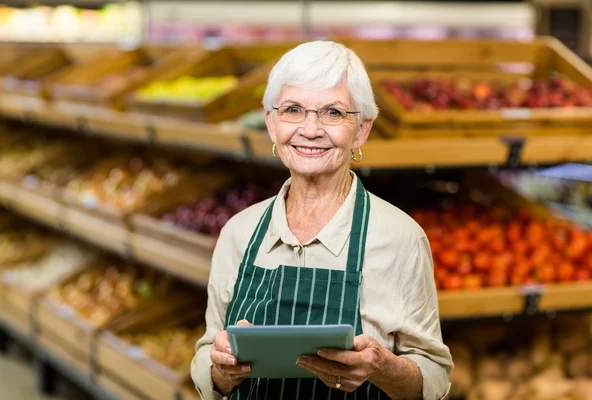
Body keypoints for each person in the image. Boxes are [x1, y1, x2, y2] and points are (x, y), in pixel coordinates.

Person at [191, 40, 453, 400]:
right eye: (293, 109)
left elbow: (434, 377)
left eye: (333, 113)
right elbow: (206, 354)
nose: (310, 129)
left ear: (361, 130)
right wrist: (220, 369)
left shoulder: (401, 238)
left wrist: (383, 367)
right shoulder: (240, 232)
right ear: (271, 123)